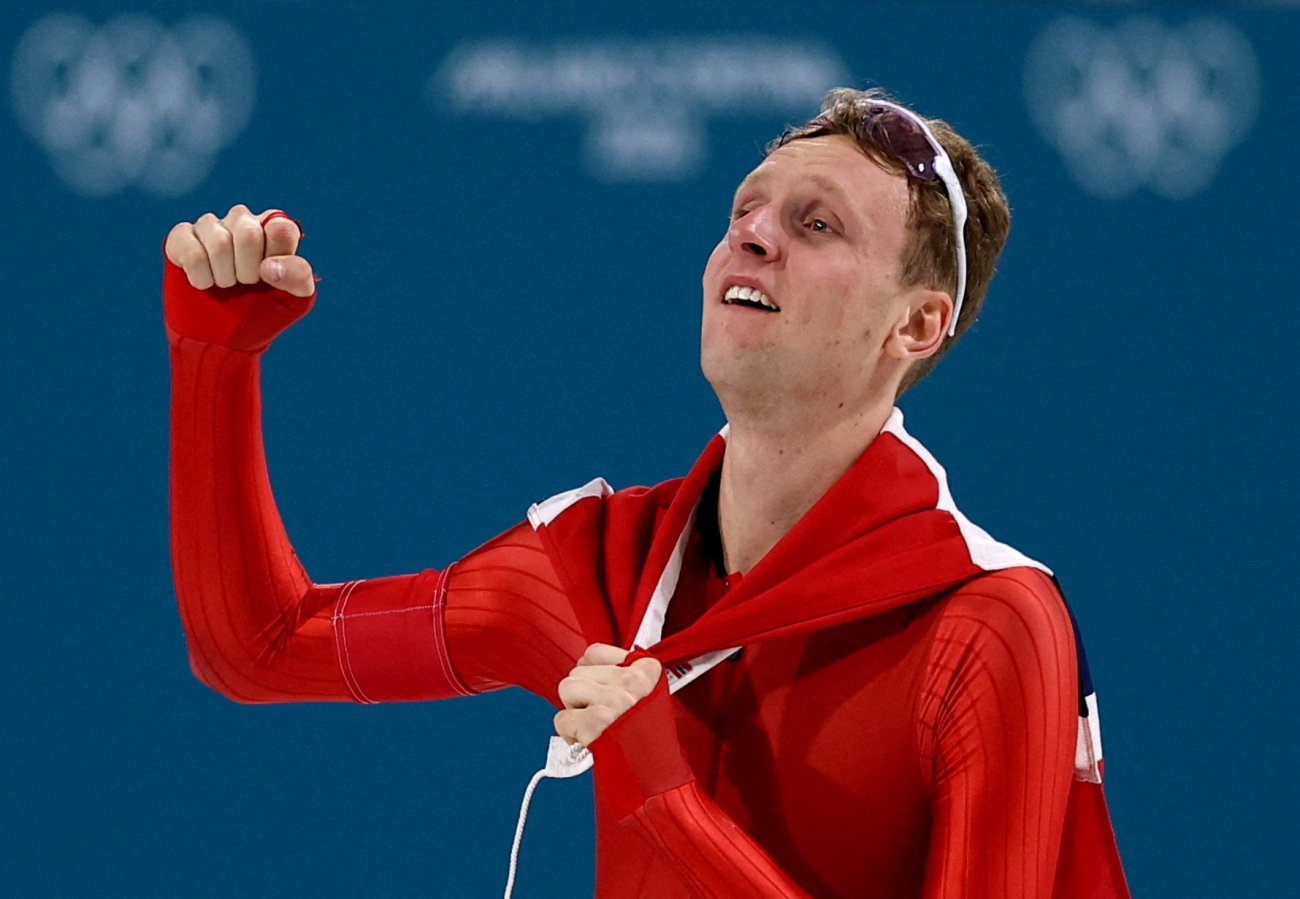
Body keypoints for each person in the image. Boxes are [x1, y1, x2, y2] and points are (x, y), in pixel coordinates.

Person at [163, 88, 1128, 897]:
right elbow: (257, 645)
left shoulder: (987, 626)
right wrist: (214, 359)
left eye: (816, 224)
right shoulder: (594, 571)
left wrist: (662, 799)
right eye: (745, 210)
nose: (752, 236)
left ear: (916, 325)